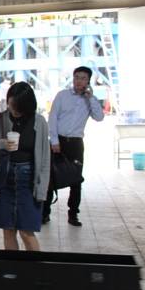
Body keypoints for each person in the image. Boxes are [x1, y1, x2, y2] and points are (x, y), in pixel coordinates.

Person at [0, 82, 50, 251]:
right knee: (8, 230)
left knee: (26, 232)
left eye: (18, 106)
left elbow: (45, 158)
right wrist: (3, 144)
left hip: (28, 179)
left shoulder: (39, 121)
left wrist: (42, 190)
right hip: (5, 178)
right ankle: (13, 266)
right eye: (11, 105)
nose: (14, 110)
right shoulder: (0, 119)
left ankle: (34, 267)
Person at [44, 66, 105, 226]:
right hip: (58, 141)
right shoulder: (62, 95)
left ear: (88, 81)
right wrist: (54, 141)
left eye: (83, 78)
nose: (79, 81)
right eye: (77, 77)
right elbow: (53, 118)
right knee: (50, 177)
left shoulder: (90, 100)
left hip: (76, 144)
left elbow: (99, 117)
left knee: (76, 179)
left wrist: (91, 98)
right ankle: (45, 213)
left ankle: (73, 214)